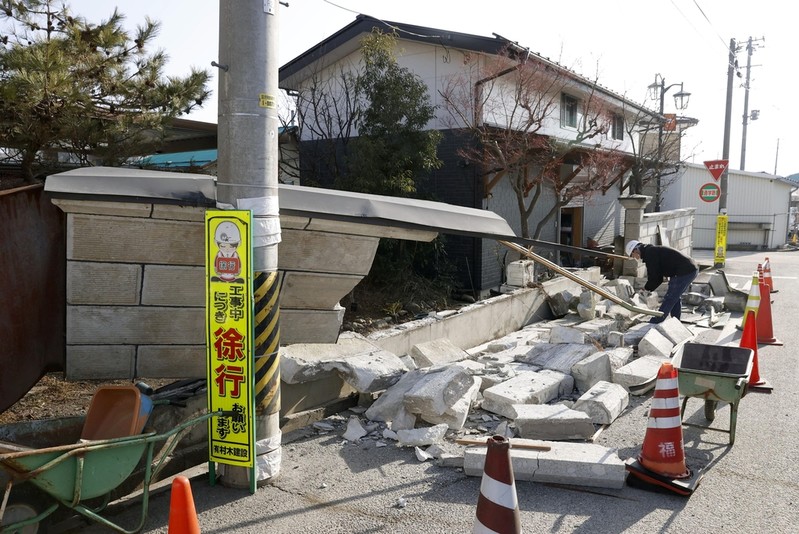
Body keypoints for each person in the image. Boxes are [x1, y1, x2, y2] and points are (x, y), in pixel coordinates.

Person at [625, 239, 698, 324]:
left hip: (685, 271)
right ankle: (676, 321)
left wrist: (646, 288)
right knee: (675, 296)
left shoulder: (650, 254)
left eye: (632, 255)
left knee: (670, 297)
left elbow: (656, 277)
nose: (634, 258)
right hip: (687, 269)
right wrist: (648, 288)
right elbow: (656, 276)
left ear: (635, 250)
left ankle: (656, 321)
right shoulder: (650, 251)